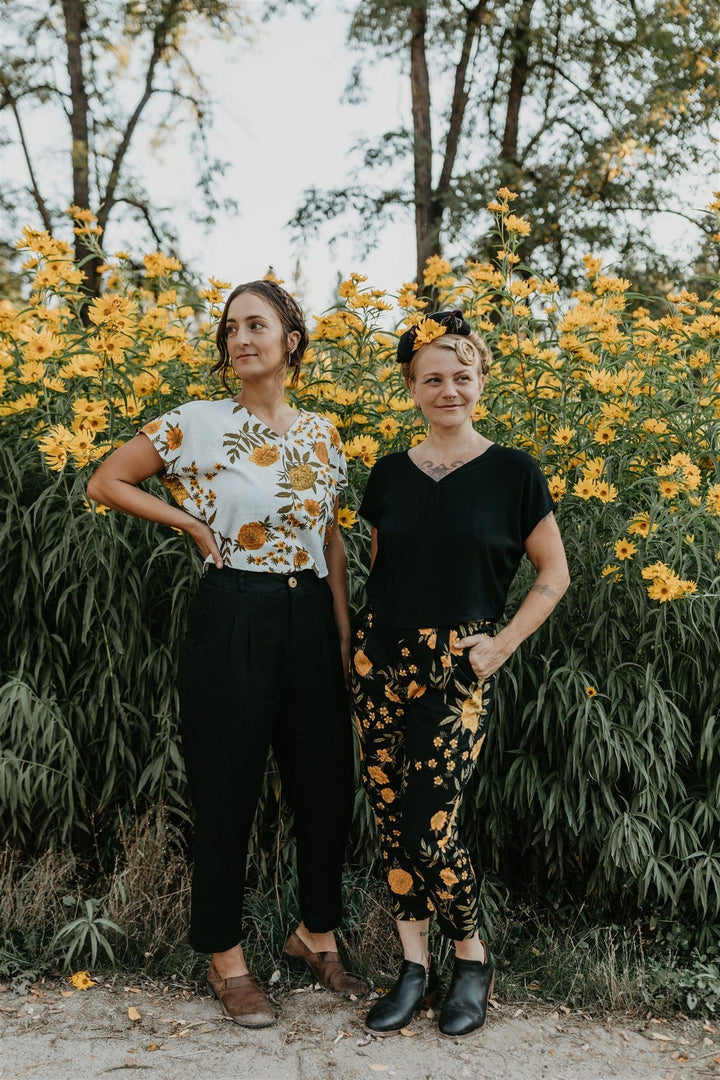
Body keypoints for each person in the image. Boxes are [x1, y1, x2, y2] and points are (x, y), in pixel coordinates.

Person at [87, 279, 365, 1028]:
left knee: (326, 786)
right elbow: (106, 480)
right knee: (227, 789)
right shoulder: (196, 423)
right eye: (230, 328)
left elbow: (332, 539)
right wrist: (191, 524)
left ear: (290, 341)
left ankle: (315, 934)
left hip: (310, 611)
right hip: (233, 611)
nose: (240, 339)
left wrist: (340, 633)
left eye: (256, 325)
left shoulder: (321, 433)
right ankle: (226, 958)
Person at [351, 310, 570, 1038]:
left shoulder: (513, 472)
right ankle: (414, 967)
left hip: (460, 670)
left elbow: (554, 573)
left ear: (480, 383)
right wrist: (363, 649)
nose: (449, 389)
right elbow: (383, 569)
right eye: (433, 378)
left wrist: (501, 645)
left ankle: (472, 958)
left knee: (430, 826)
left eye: (462, 376)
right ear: (412, 388)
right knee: (390, 823)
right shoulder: (387, 474)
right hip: (380, 664)